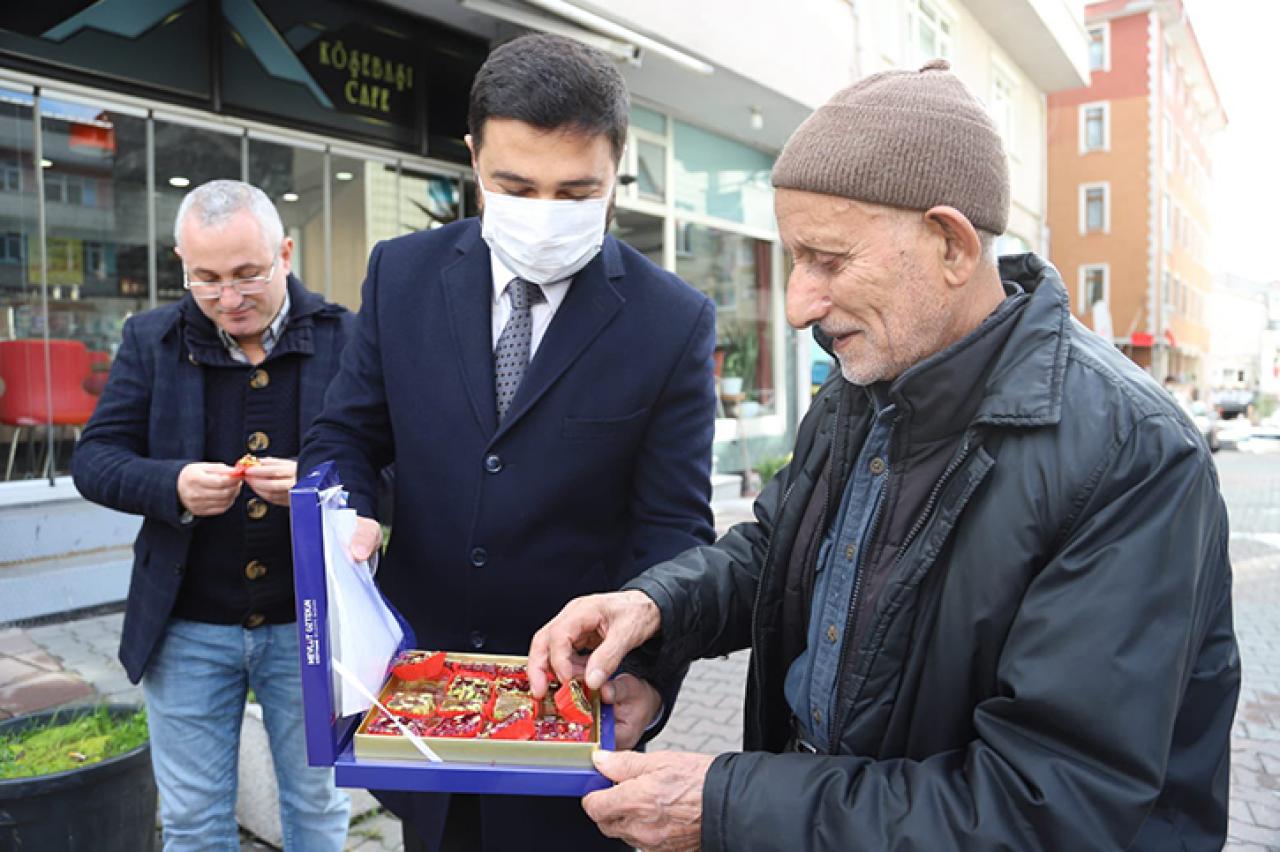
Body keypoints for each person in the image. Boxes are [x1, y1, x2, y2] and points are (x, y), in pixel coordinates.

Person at [528, 60, 1240, 851]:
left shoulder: (1130, 455)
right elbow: (779, 548)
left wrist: (729, 807)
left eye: (828, 260)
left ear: (951, 245)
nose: (799, 303)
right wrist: (658, 605)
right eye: (794, 259)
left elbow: (1048, 806)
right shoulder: (860, 385)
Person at [297, 32, 717, 852]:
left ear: (615, 172)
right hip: (420, 702)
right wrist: (341, 511)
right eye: (516, 185)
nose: (546, 214)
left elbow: (673, 529)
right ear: (472, 159)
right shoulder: (402, 274)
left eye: (576, 191)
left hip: (572, 714)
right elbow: (344, 433)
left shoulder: (672, 320)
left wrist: (647, 679)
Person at [72, 180, 353, 851]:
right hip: (187, 625)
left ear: (285, 252)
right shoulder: (151, 339)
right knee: (196, 824)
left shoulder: (349, 338)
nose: (229, 299)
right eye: (206, 279)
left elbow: (398, 468)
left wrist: (320, 484)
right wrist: (169, 484)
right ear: (181, 264)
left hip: (309, 625)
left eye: (248, 274)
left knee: (317, 810)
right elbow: (95, 458)